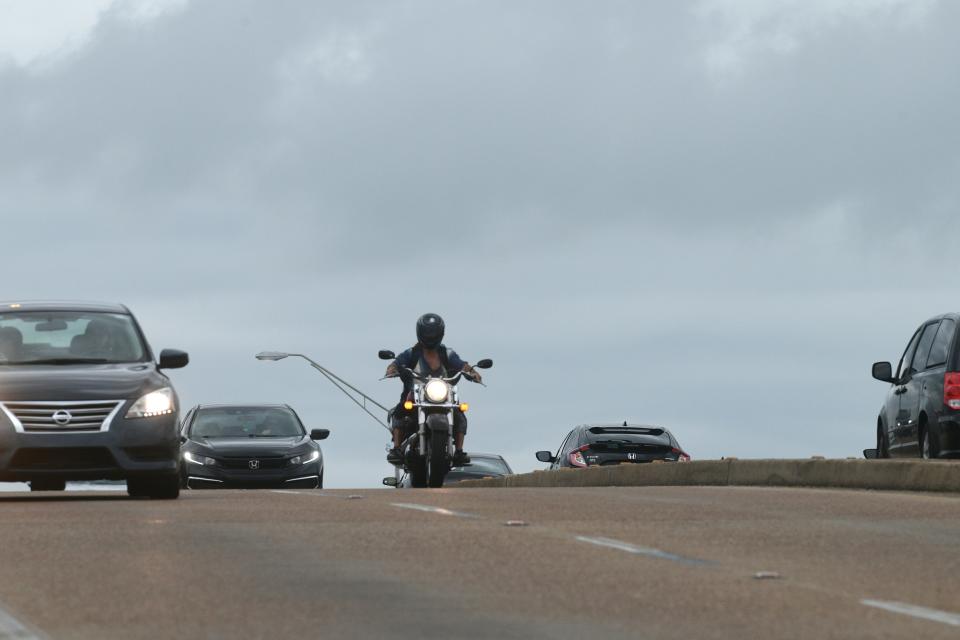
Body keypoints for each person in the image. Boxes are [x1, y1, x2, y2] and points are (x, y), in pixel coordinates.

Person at [385, 313, 481, 466]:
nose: (430, 336)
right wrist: (392, 369)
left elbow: (461, 364)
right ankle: (396, 448)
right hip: (416, 394)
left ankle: (459, 451)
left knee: (460, 414)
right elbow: (396, 363)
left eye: (433, 333)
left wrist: (472, 372)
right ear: (420, 333)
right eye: (427, 333)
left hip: (442, 395)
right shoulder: (411, 353)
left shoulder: (447, 353)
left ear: (440, 334)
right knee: (399, 412)